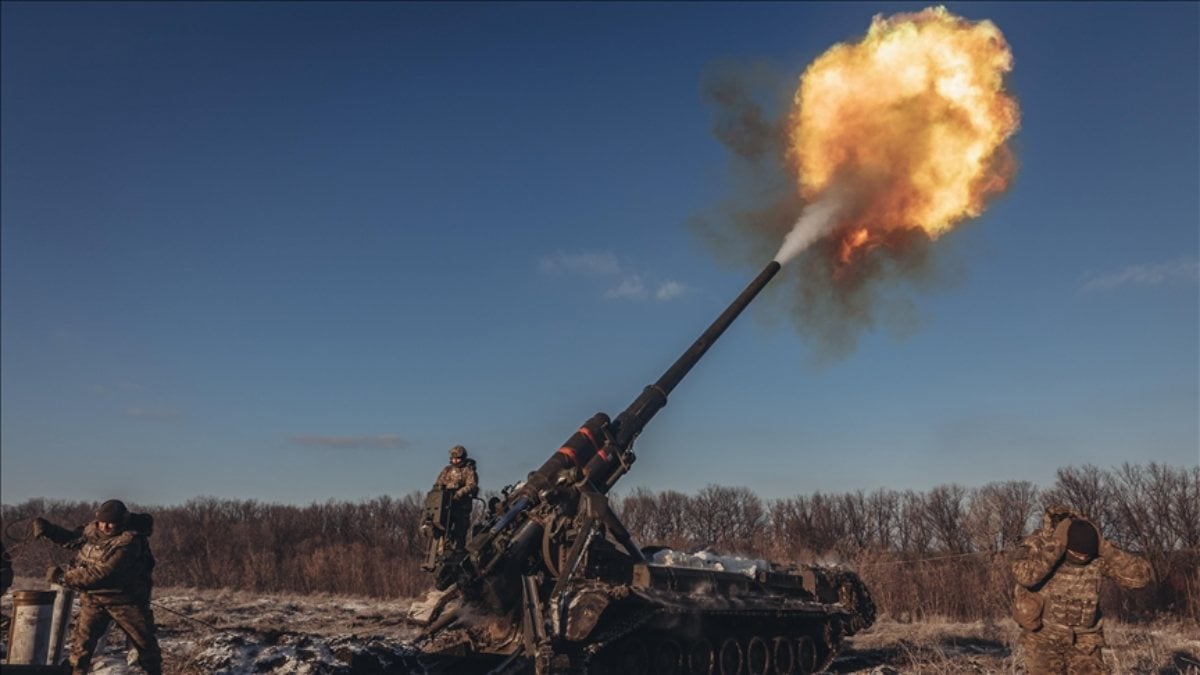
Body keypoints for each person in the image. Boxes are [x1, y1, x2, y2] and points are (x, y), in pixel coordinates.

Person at [1009, 505, 1152, 675]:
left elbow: (1140, 577)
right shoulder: (1039, 545)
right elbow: (1025, 576)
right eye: (1076, 554)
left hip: (1086, 640)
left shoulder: (1097, 555)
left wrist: (1106, 549)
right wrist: (1056, 547)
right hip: (1042, 639)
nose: (1082, 559)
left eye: (1086, 555)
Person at [32, 499, 162, 675]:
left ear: (122, 521)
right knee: (80, 650)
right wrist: (50, 530)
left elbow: (103, 574)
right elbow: (73, 539)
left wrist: (63, 578)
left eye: (111, 523)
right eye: (102, 522)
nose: (106, 527)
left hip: (127, 602)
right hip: (93, 600)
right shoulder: (92, 530)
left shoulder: (130, 542)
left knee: (145, 648)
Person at [432, 445, 479, 551]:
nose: (455, 461)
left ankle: (458, 552)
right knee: (442, 529)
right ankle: (441, 551)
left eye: (457, 458)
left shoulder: (468, 470)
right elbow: (438, 484)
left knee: (460, 532)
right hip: (446, 506)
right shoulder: (447, 470)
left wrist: (459, 493)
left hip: (461, 506)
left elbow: (472, 485)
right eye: (453, 458)